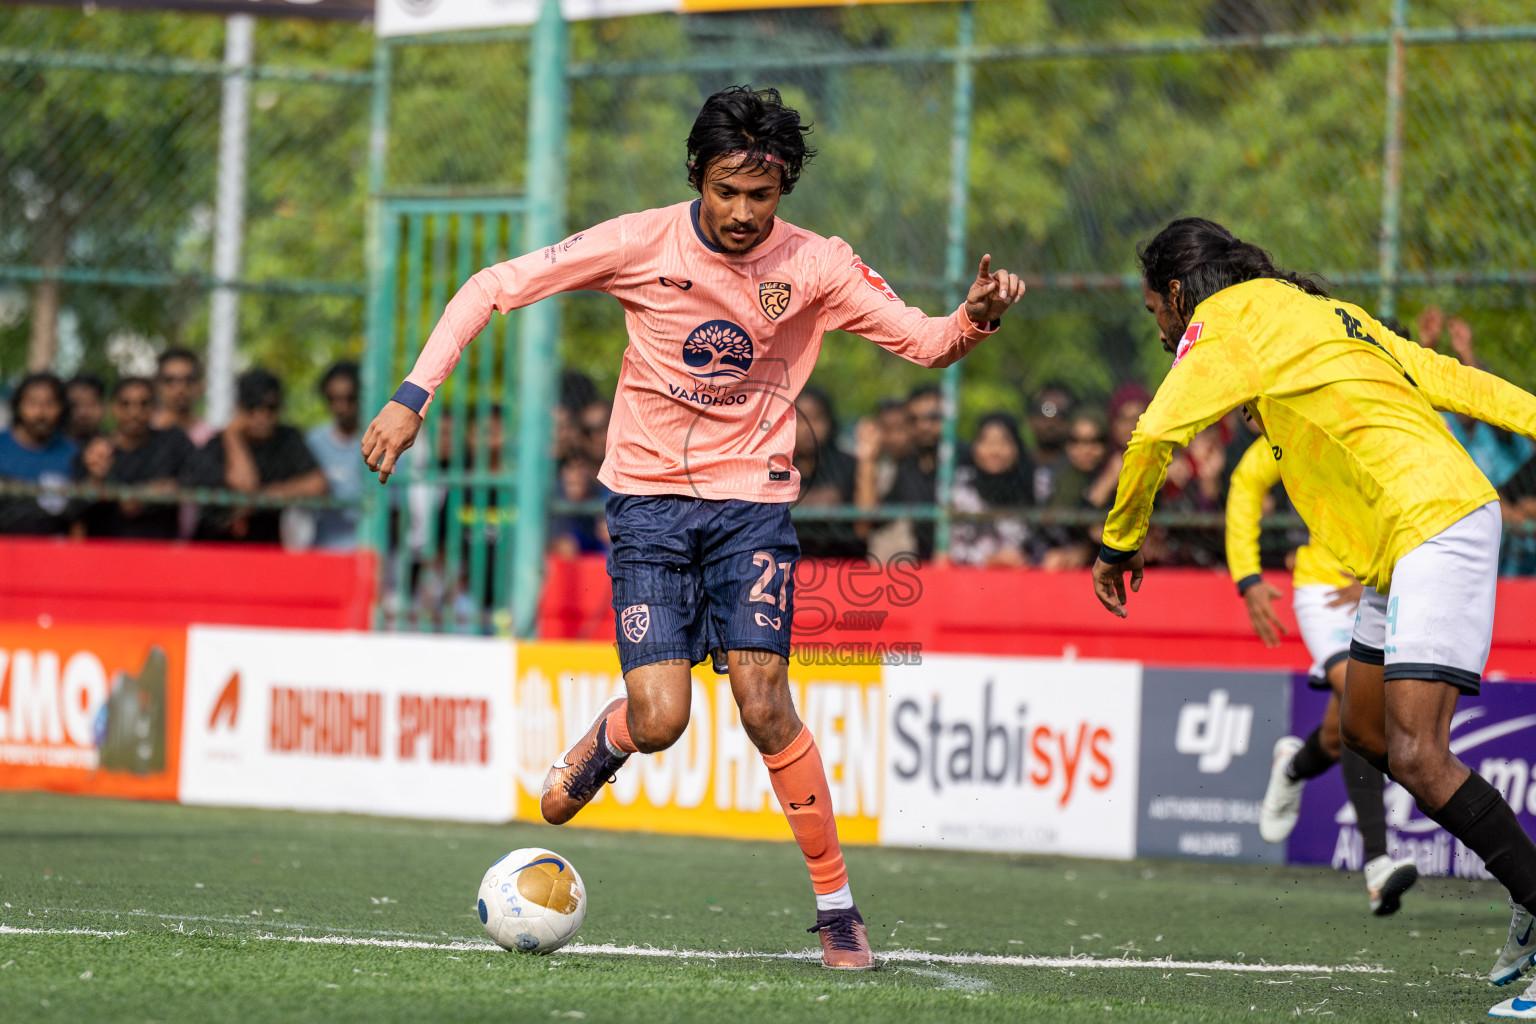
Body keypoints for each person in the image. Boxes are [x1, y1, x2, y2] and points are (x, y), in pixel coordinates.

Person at [361, 85, 1024, 970]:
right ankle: (610, 739)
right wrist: (414, 397)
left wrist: (973, 319)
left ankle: (837, 910)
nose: (745, 213)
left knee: (763, 701)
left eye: (763, 194)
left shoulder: (819, 264)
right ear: (698, 181)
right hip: (647, 504)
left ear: (783, 188)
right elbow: (492, 286)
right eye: (727, 192)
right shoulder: (639, 241)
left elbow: (926, 342)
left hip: (753, 504)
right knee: (663, 718)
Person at [1090, 217, 1536, 1020]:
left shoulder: (1222, 322)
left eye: (1156, 308)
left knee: (1419, 755)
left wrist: (1119, 544)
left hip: (1432, 520)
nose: (1160, 328)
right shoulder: (1318, 310)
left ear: (1179, 294)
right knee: (1364, 732)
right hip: (1393, 544)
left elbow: (1155, 433)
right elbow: (1450, 378)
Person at [1227, 435, 1419, 915]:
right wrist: (1248, 577)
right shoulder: (1289, 430)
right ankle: (1378, 865)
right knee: (1365, 712)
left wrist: (1379, 571)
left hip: (1381, 582)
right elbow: (1246, 484)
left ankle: (1292, 767)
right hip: (1323, 591)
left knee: (1340, 732)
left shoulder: (1382, 418)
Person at [182, 368, 327, 543]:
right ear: (240, 407)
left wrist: (270, 494)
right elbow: (245, 487)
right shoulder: (218, 444)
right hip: (217, 542)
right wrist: (233, 437)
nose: (262, 415)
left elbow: (318, 484)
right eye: (253, 407)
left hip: (265, 543)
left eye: (270, 408)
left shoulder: (287, 438)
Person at [75, 377, 194, 539]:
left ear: (154, 408)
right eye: (125, 404)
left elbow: (197, 478)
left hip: (160, 551)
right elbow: (75, 507)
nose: (134, 413)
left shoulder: (173, 442)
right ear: (113, 408)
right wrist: (96, 479)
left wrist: (153, 494)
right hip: (106, 552)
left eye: (143, 404)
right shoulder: (95, 450)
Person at [949, 412, 1031, 567]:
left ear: (1016, 448)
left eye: (1003, 443)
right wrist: (989, 560)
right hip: (970, 581)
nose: (994, 451)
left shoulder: (1032, 486)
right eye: (985, 442)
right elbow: (950, 549)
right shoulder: (960, 488)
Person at [0, 373, 77, 535]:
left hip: (51, 552)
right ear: (18, 406)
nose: (40, 412)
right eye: (32, 403)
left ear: (62, 408)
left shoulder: (74, 454)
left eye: (50, 404)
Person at [306, 361, 364, 551]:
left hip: (367, 554)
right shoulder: (313, 442)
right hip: (323, 553)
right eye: (334, 399)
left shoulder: (380, 443)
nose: (341, 407)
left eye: (349, 398)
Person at [152, 348, 215, 448]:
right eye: (170, 380)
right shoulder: (143, 434)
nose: (180, 388)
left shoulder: (210, 438)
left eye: (188, 380)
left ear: (200, 385)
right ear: (157, 386)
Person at [1025, 383, 1074, 506]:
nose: (1051, 421)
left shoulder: (1078, 466)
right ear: (1030, 419)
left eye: (1061, 414)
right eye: (1045, 410)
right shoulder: (1016, 464)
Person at [64, 373, 105, 444]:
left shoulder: (112, 450)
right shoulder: (45, 448)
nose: (83, 413)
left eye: (91, 405)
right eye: (75, 405)